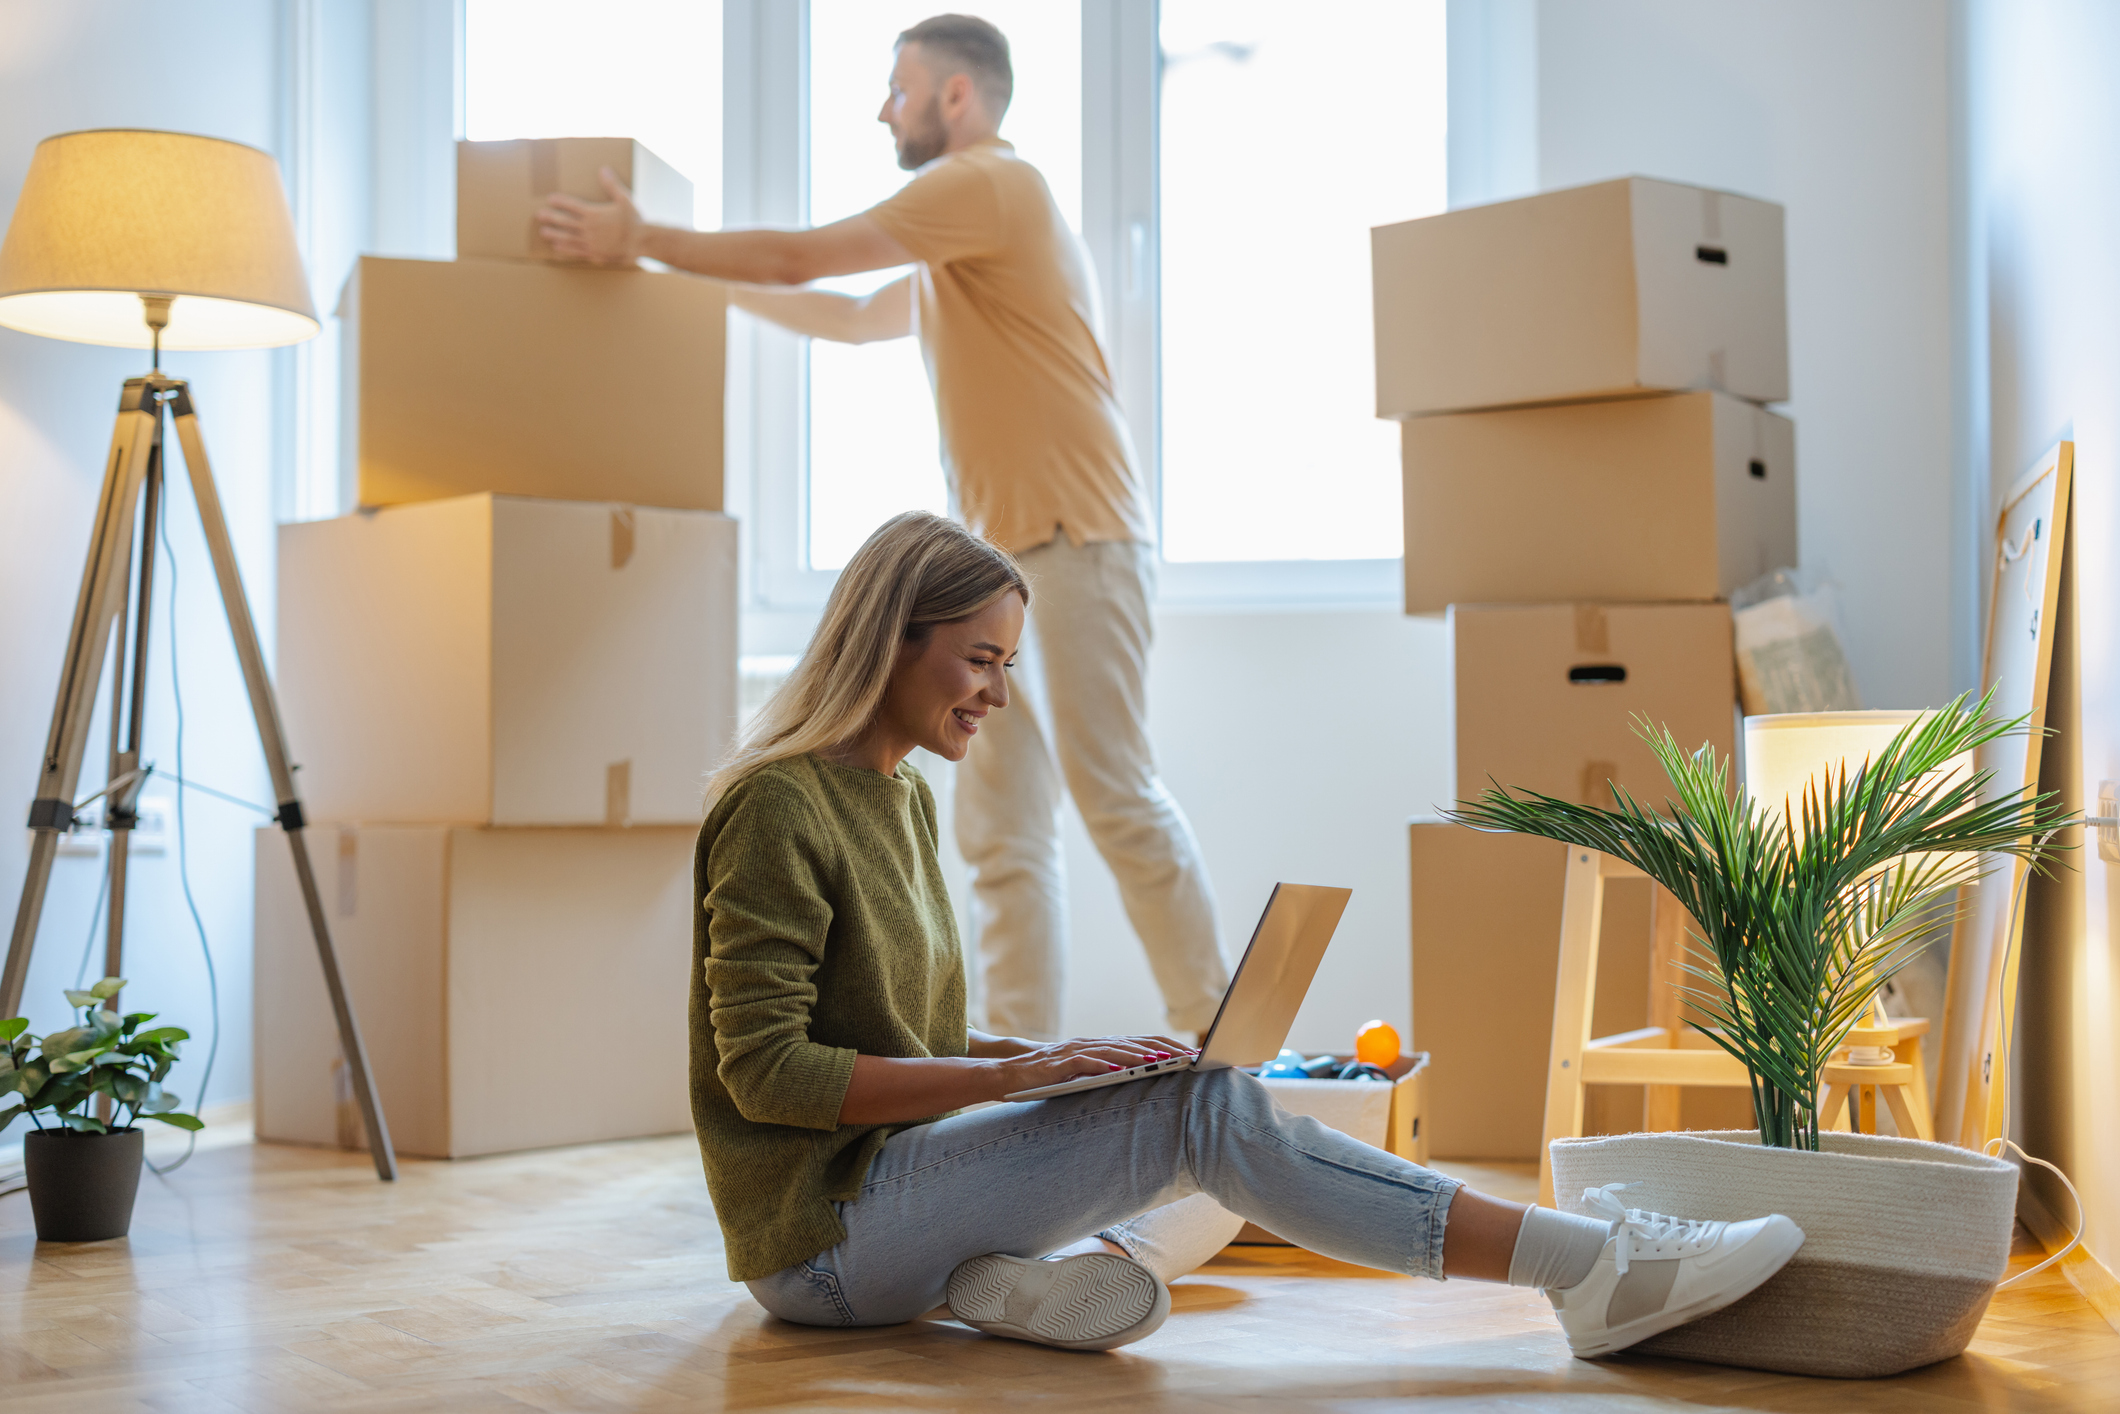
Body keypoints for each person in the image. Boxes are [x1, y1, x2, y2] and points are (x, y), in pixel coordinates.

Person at [691, 510, 1804, 1355]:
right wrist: (1012, 1078)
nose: (998, 694)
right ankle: (1592, 1267)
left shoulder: (898, 797)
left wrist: (1063, 1063)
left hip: (891, 1201)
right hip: (820, 1248)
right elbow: (769, 1074)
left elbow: (897, 1027)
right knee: (1214, 1121)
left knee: (1225, 1154)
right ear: (889, 637)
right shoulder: (776, 804)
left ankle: (1023, 1273)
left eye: (1007, 665)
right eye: (979, 660)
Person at [541, 14, 1226, 1045]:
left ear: (955, 96)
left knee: (1116, 798)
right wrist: (682, 277)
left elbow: (800, 258)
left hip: (1077, 539)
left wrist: (643, 240)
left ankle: (1227, 1050)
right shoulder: (965, 245)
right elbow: (856, 315)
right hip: (1007, 568)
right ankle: (1018, 1077)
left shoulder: (986, 183)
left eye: (896, 89)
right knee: (1002, 839)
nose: (881, 109)